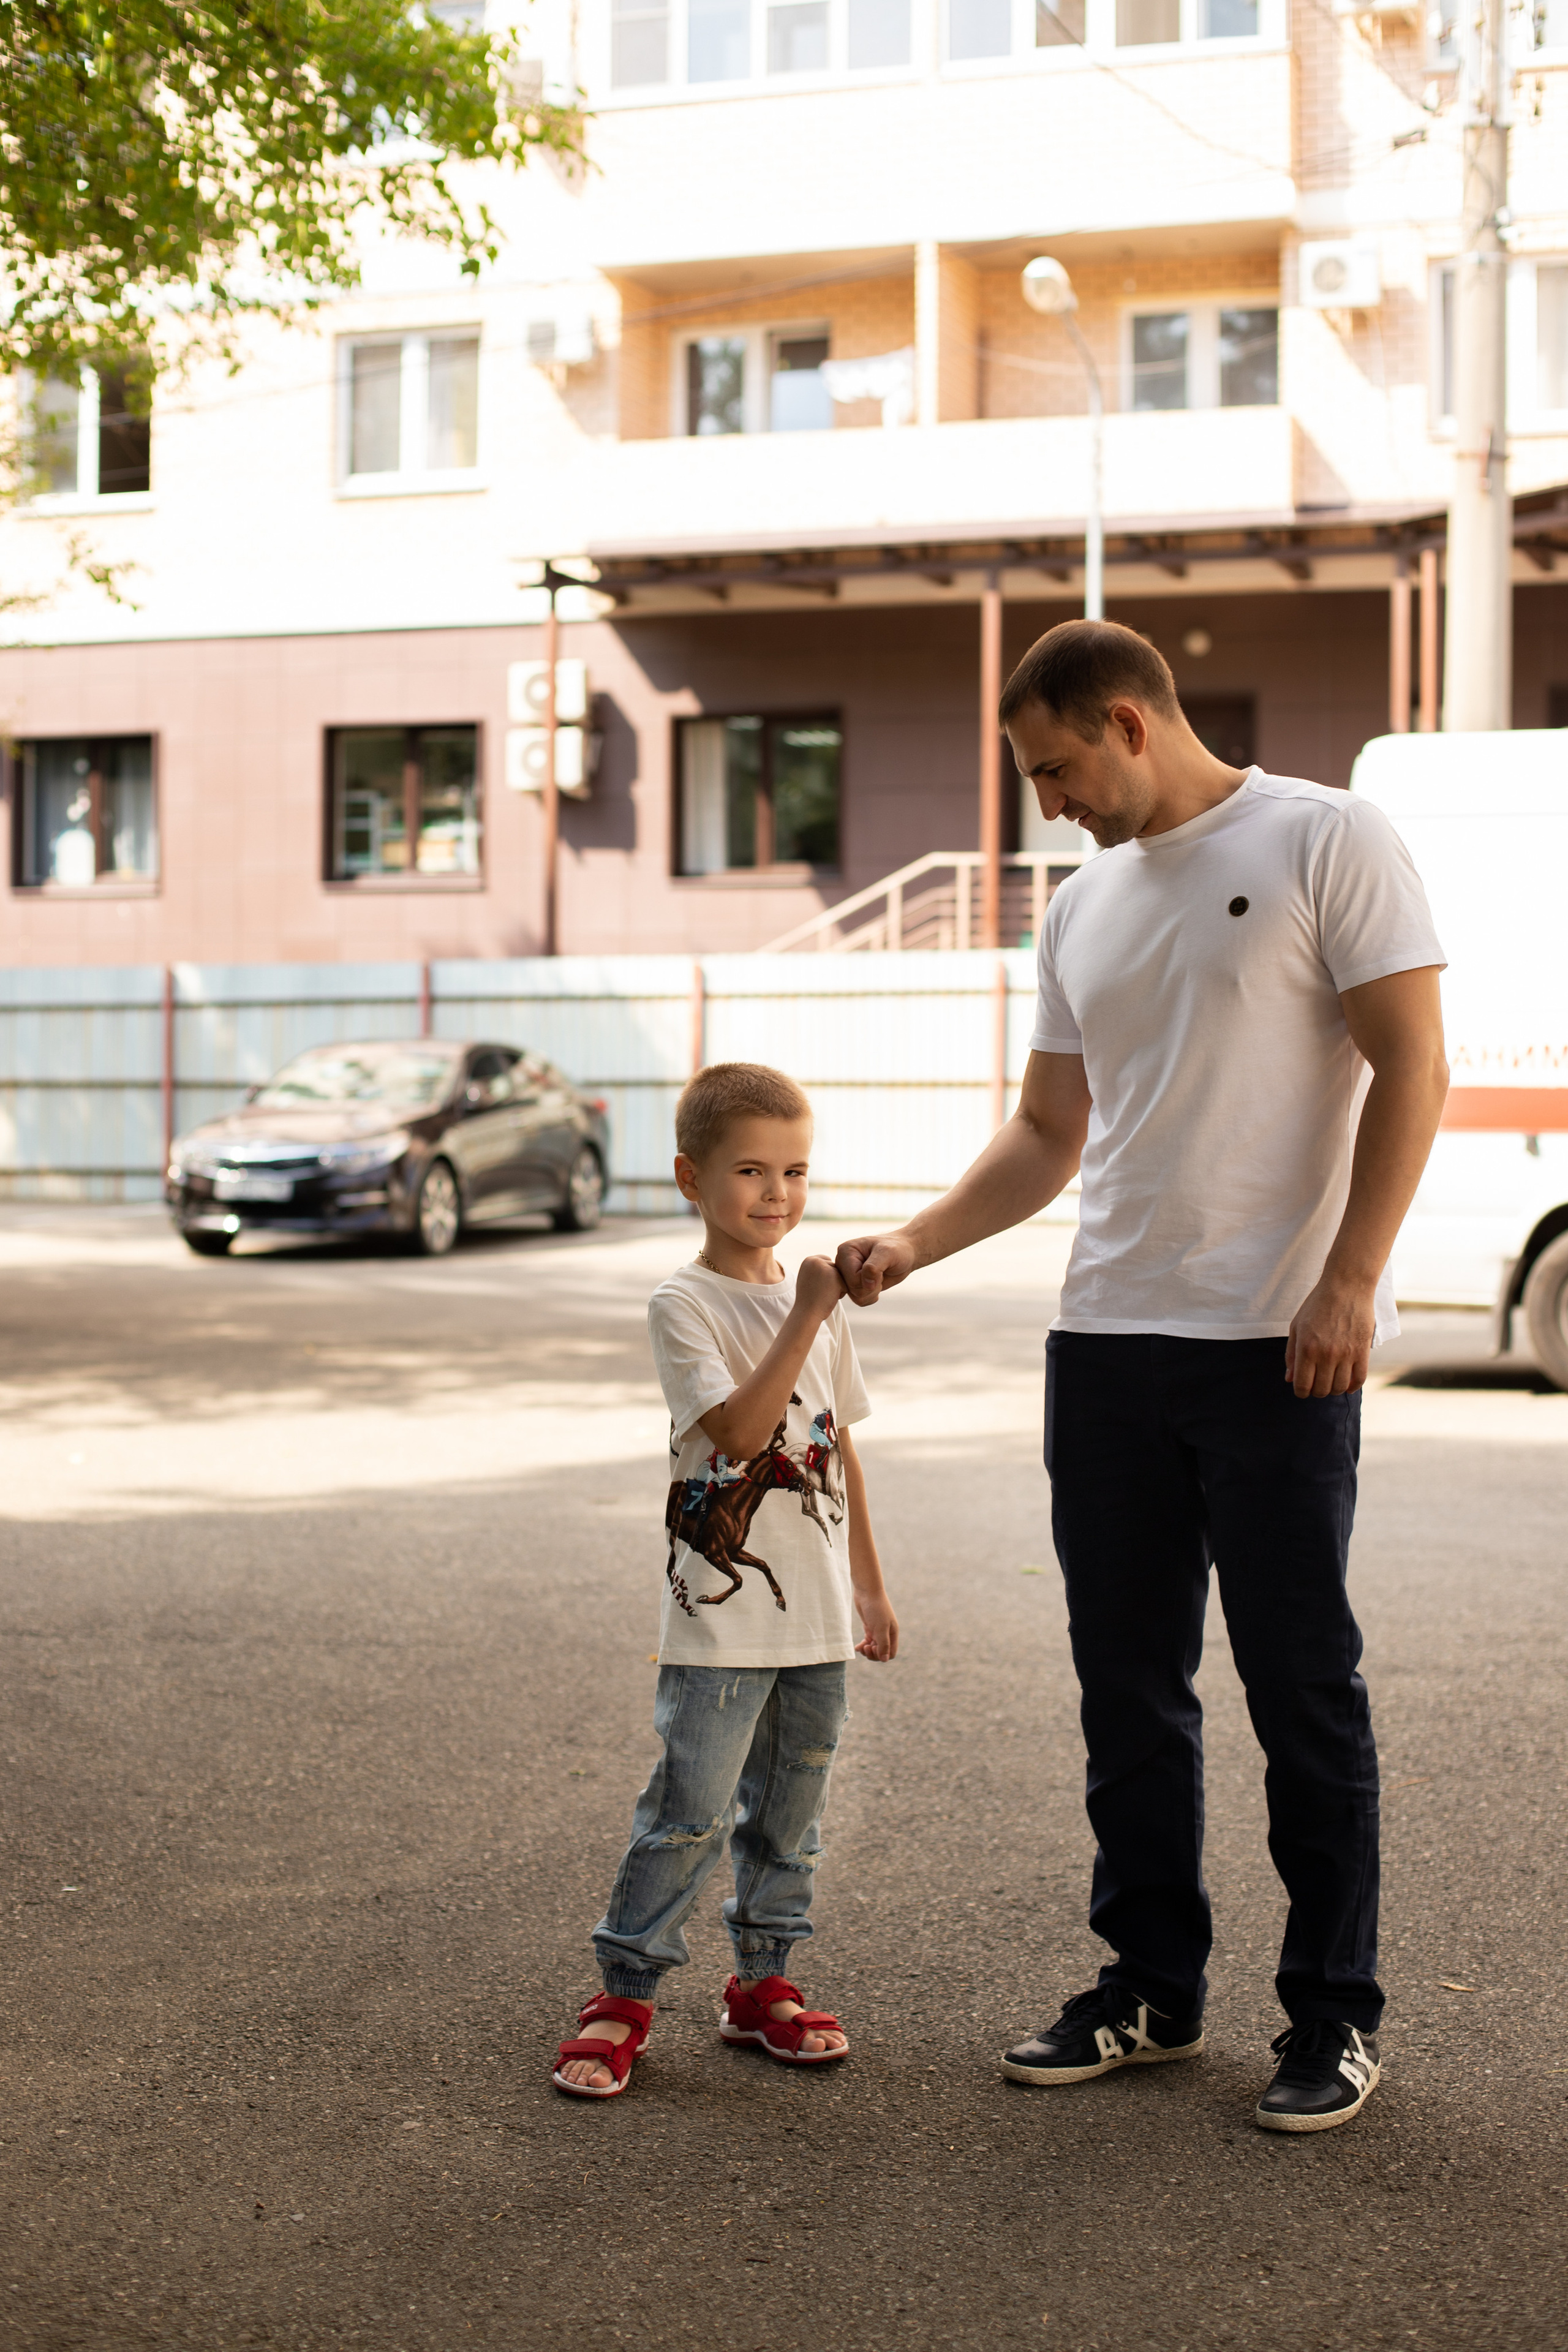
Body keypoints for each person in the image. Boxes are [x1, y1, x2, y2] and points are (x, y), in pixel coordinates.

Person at [837, 620, 1448, 2135]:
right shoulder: (1079, 904)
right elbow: (1049, 1132)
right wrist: (914, 1241)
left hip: (1271, 1346)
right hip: (1104, 1343)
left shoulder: (1325, 837)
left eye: (1052, 769)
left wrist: (1351, 1278)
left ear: (1123, 722)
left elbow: (1411, 1065)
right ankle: (1150, 1990)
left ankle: (1331, 2017)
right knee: (1128, 1689)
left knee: (1299, 1685)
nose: (1043, 803)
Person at [554, 1061, 898, 2100]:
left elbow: (839, 1450)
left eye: (795, 1172)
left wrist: (872, 1589)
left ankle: (763, 1987)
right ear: (688, 1179)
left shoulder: (822, 1312)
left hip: (819, 1623)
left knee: (791, 1818)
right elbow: (747, 1435)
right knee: (690, 1810)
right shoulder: (685, 1305)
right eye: (751, 1171)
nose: (777, 1196)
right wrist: (802, 1314)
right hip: (719, 1633)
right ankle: (624, 1991)